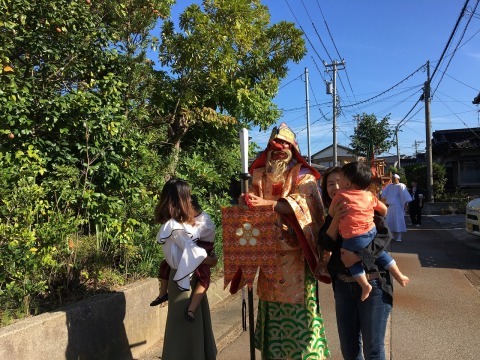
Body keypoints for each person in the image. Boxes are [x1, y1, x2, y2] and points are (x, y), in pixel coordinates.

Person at [236, 123, 330, 359]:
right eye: (275, 145)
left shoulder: (303, 175)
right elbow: (250, 210)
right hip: (267, 253)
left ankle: (307, 355)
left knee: (300, 309)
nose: (280, 149)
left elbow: (306, 203)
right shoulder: (257, 175)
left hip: (296, 256)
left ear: (293, 149)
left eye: (285, 144)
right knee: (270, 307)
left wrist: (268, 204)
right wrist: (244, 203)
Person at [318, 166, 394, 360]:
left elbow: (383, 240)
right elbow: (326, 244)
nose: (335, 187)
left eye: (338, 181)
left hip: (374, 283)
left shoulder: (366, 206)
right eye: (329, 184)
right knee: (349, 350)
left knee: (373, 350)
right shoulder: (330, 215)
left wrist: (360, 256)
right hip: (343, 287)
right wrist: (335, 218)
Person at [154, 178, 217, 360]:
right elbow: (197, 254)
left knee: (184, 322)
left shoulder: (192, 221)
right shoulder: (177, 222)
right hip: (184, 276)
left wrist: (208, 260)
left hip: (186, 276)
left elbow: (199, 251)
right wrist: (209, 261)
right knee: (186, 322)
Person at [330, 162, 409, 301]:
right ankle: (399, 275)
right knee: (381, 253)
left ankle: (365, 285)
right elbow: (384, 210)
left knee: (348, 259)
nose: (337, 185)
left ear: (347, 183)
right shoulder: (369, 195)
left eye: (339, 179)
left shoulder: (341, 195)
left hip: (354, 237)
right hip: (370, 230)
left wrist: (337, 213)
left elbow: (331, 213)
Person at [150, 195, 216, 313]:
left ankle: (191, 309)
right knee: (165, 265)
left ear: (191, 207)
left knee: (204, 279)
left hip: (203, 248)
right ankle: (162, 294)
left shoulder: (205, 220)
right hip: (192, 249)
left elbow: (195, 235)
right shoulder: (188, 219)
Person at [381, 174, 412, 242]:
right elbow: (384, 194)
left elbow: (405, 196)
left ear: (398, 179)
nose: (392, 179)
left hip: (398, 206)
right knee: (389, 220)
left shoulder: (401, 186)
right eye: (392, 178)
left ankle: (399, 236)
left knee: (398, 220)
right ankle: (391, 235)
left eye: (394, 178)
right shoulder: (389, 186)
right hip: (391, 206)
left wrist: (406, 205)